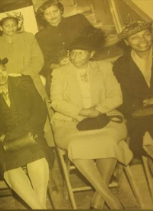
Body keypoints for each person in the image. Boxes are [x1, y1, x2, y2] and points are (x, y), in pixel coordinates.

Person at [50, 27, 133, 209]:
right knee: (76, 145)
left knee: (110, 140)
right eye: (72, 53)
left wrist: (98, 110)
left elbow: (116, 96)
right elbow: (56, 102)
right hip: (69, 120)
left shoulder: (104, 68)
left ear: (91, 54)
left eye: (81, 53)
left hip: (104, 116)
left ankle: (98, 199)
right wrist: (81, 111)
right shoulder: (59, 72)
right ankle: (110, 199)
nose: (76, 57)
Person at [0, 57, 54, 209]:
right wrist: (2, 137)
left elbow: (39, 110)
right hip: (0, 140)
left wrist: (29, 131)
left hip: (28, 133)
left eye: (3, 70)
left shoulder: (24, 82)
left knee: (38, 156)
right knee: (9, 166)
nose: (1, 75)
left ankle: (38, 207)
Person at [113, 21, 153, 160]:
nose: (142, 40)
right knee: (142, 131)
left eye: (146, 34)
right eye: (135, 37)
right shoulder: (121, 65)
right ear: (126, 42)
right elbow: (125, 97)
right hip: (140, 114)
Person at [35, 0, 92, 94]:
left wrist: (84, 55)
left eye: (55, 11)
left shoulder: (78, 20)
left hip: (86, 64)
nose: (52, 16)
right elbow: (42, 60)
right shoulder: (40, 36)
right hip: (61, 71)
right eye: (47, 14)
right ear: (43, 17)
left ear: (61, 10)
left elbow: (95, 40)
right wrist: (58, 65)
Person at [0, 15, 47, 99]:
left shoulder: (29, 37)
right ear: (0, 27)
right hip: (9, 86)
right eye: (7, 26)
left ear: (17, 26)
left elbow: (38, 59)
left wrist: (24, 75)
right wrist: (9, 79)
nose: (11, 28)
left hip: (32, 81)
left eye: (14, 25)